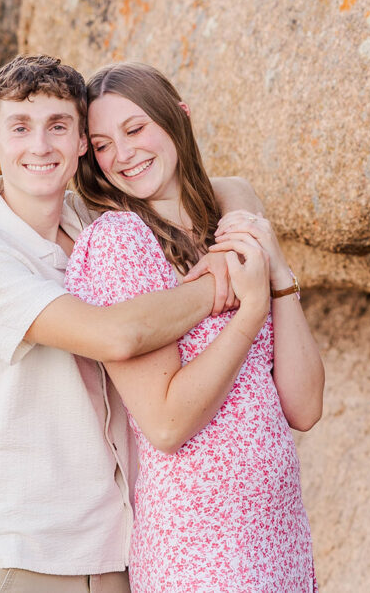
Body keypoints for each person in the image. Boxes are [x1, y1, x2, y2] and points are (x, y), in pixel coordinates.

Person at [0, 54, 264, 593]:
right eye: (20, 128)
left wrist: (245, 221)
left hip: (116, 547)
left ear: (82, 141)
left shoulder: (86, 218)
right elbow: (116, 335)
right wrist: (221, 285)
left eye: (58, 127)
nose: (40, 146)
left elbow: (225, 187)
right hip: (26, 554)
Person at [64, 62, 325, 592]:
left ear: (178, 118)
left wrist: (277, 277)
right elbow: (165, 425)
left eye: (136, 129)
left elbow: (304, 407)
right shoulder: (121, 243)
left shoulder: (229, 226)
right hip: (199, 547)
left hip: (279, 538)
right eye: (104, 144)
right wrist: (248, 315)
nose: (125, 154)